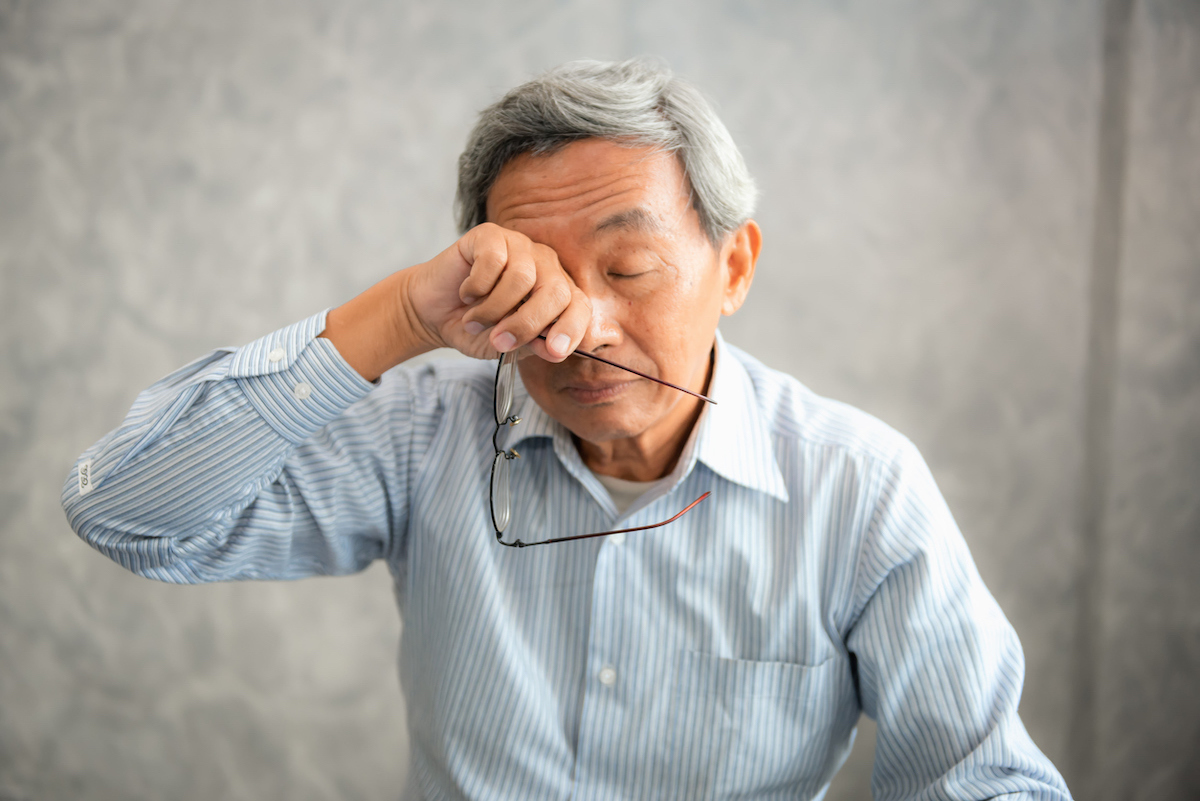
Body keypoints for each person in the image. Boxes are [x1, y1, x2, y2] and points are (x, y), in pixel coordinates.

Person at [62, 58, 1071, 799]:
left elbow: (987, 780)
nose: (577, 328)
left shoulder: (859, 489)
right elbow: (128, 515)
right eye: (532, 281)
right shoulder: (428, 436)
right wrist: (401, 316)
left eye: (628, 272)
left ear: (735, 268)